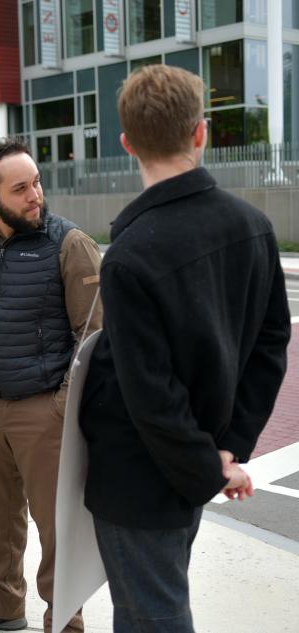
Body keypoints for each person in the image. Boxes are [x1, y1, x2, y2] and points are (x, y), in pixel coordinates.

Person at [79, 64, 291, 633]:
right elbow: (272, 346)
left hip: (139, 475)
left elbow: (150, 395)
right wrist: (226, 451)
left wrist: (209, 465)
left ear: (126, 144)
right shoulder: (252, 225)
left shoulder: (128, 255)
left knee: (152, 616)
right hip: (196, 460)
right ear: (201, 133)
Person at [0, 138, 102, 633]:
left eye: (36, 182)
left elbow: (93, 335)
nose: (35, 194)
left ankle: (65, 615)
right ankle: (1, 603)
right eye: (21, 188)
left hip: (44, 410)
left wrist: (61, 405)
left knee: (55, 523)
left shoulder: (69, 243)